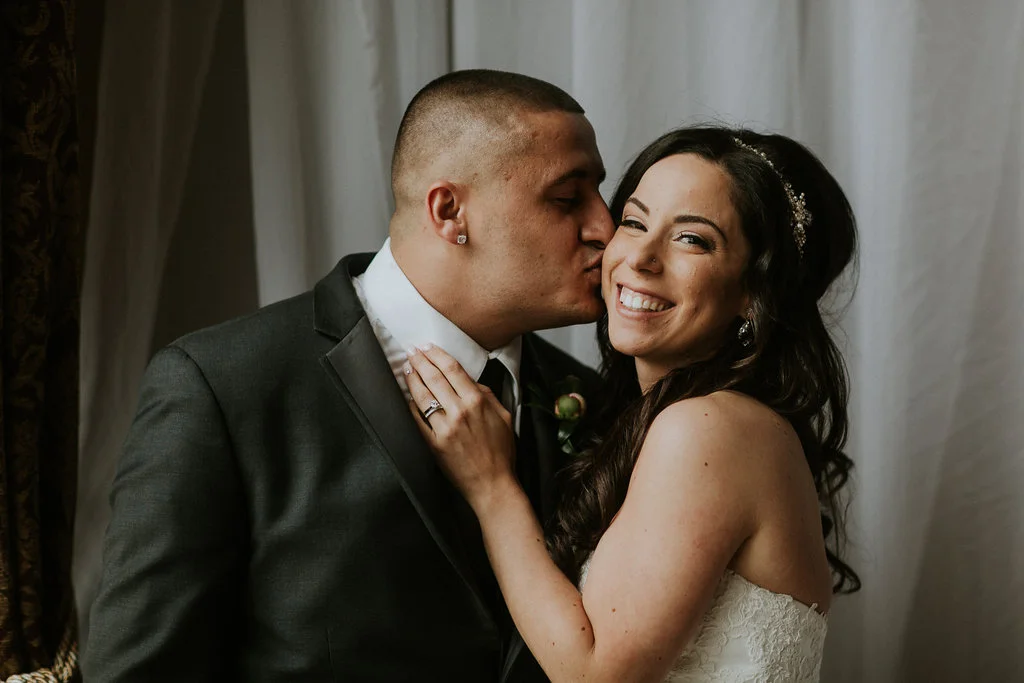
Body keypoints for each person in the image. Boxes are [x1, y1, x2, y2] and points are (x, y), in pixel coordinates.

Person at [82, 69, 614, 682]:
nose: (605, 228)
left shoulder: (594, 401)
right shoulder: (221, 388)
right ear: (449, 211)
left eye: (600, 195)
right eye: (567, 199)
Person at [405, 126, 861, 682]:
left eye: (692, 239)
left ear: (754, 292)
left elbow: (596, 675)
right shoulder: (678, 421)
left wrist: (492, 488)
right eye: (635, 222)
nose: (640, 257)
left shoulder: (711, 428)